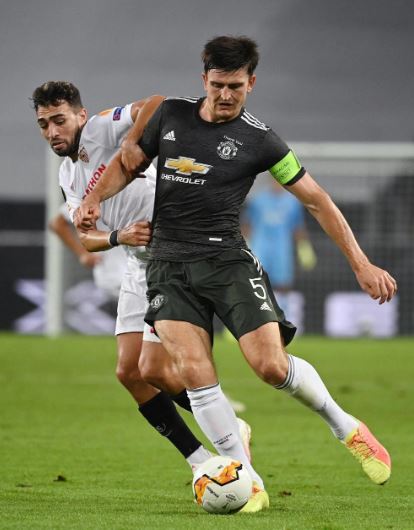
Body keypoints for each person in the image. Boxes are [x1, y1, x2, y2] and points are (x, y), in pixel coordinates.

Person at [78, 36, 397, 513]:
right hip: (168, 266)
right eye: (219, 85)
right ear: (204, 79)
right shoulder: (170, 116)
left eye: (236, 87)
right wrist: (93, 198)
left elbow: (317, 200)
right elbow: (127, 164)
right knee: (194, 373)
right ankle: (248, 481)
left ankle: (345, 427)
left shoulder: (261, 140)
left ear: (252, 83)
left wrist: (361, 263)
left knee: (270, 366)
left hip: (227, 262)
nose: (226, 95)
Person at [32, 81, 220, 473]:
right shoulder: (67, 175)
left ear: (81, 116)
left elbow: (157, 103)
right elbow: (88, 240)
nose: (52, 132)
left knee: (154, 368)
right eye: (44, 124)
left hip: (172, 255)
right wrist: (118, 236)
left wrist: (133, 142)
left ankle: (227, 430)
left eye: (59, 120)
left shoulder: (102, 128)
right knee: (129, 373)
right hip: (137, 262)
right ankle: (200, 460)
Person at [243, 179, 316, 326]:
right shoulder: (258, 200)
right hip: (260, 248)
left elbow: (297, 228)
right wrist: (245, 245)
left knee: (283, 285)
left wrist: (304, 249)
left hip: (282, 249)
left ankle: (283, 321)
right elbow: (247, 225)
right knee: (255, 284)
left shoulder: (293, 202)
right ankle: (247, 321)